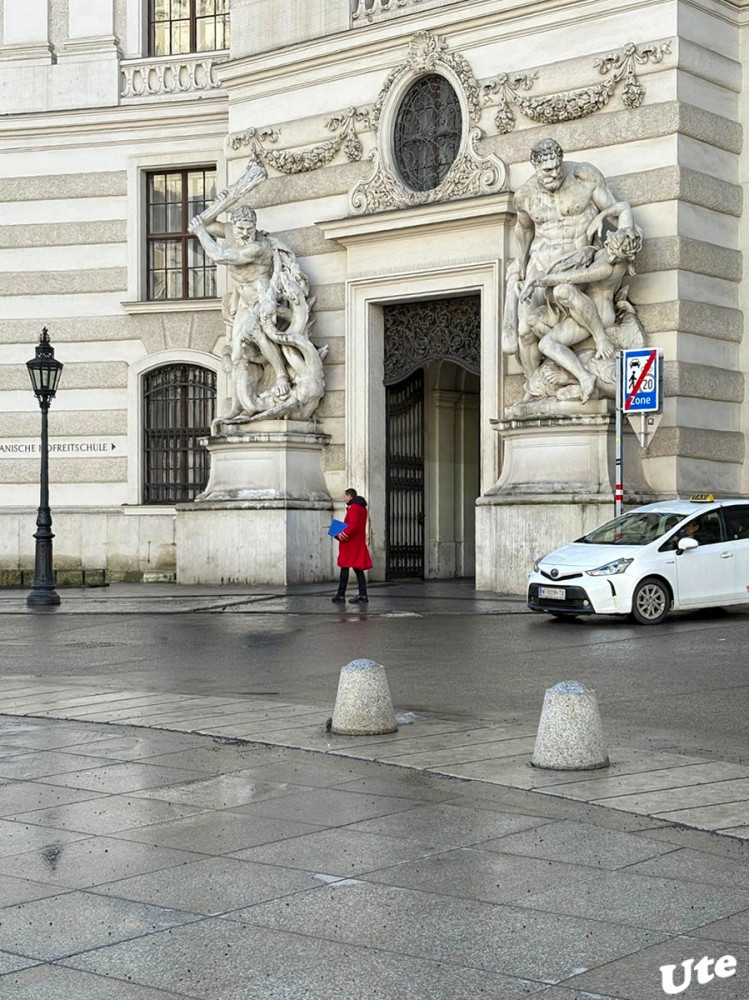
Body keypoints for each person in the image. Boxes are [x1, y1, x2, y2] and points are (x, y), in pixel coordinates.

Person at [332, 489, 373, 604]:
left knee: (344, 567)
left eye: (344, 496)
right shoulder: (362, 508)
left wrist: (341, 534)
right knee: (357, 568)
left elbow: (353, 525)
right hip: (357, 542)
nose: (344, 499)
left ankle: (341, 595)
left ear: (349, 496)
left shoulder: (354, 507)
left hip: (350, 543)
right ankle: (363, 594)